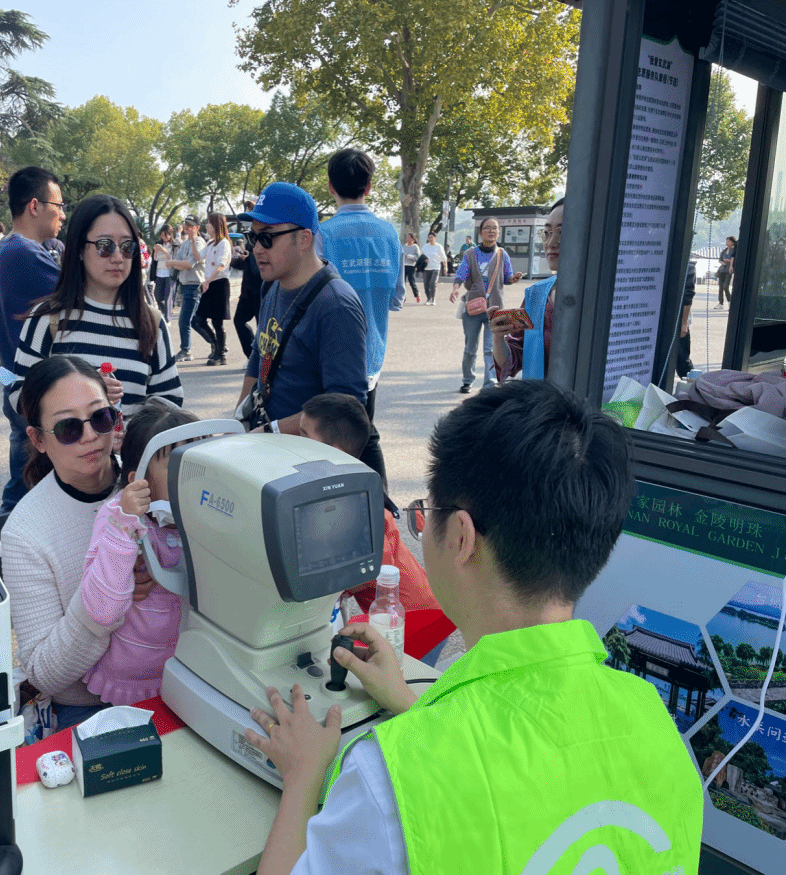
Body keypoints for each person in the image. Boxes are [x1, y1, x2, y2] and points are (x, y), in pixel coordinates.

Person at [244, 380, 704, 874]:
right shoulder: (657, 724)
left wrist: (303, 778)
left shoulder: (391, 780)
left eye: (427, 513)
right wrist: (412, 703)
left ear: (461, 536)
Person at [2, 355, 157, 731]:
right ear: (38, 439)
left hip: (171, 680)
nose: (90, 436)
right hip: (87, 708)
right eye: (68, 427)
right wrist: (106, 596)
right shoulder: (25, 531)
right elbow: (43, 673)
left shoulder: (149, 482)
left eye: (101, 418)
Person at [9, 194, 183, 424]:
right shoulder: (47, 318)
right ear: (80, 249)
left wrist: (132, 432)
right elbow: (17, 392)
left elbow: (170, 399)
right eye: (105, 246)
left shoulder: (151, 322)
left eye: (127, 247)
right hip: (66, 448)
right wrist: (80, 393)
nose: (118, 257)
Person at [81, 398, 200, 705]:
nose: (194, 477)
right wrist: (124, 527)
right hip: (131, 680)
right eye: (178, 466)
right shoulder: (117, 517)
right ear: (138, 481)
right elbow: (102, 610)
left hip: (188, 671)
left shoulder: (201, 517)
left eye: (200, 464)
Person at [236, 181, 367, 438]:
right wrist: (238, 420)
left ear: (304, 239)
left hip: (306, 456)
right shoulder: (272, 285)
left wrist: (269, 431)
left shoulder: (336, 306)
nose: (257, 249)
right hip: (266, 444)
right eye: (253, 237)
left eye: (267, 237)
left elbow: (343, 409)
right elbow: (259, 356)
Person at [298, 393, 438, 615]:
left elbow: (372, 571)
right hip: (401, 612)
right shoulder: (346, 489)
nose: (297, 443)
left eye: (304, 436)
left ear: (333, 452)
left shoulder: (363, 506)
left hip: (414, 617)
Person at [315, 149, 402, 486]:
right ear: (369, 186)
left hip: (331, 357)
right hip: (372, 356)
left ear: (330, 186)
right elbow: (396, 298)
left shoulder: (323, 234)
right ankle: (380, 509)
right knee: (363, 432)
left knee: (334, 440)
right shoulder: (389, 234)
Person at [0, 166, 66, 512]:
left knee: (23, 483)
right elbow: (80, 294)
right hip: (32, 390)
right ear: (34, 205)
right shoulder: (24, 252)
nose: (62, 214)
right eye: (58, 205)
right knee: (29, 491)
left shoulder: (6, 249)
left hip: (15, 382)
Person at [491, 198, 562, 382]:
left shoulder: (614, 298)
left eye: (563, 232)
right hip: (542, 398)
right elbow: (513, 360)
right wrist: (498, 337)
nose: (551, 243)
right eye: (547, 233)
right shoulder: (537, 294)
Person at [449, 216, 522, 392]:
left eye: (494, 228)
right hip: (473, 307)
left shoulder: (502, 254)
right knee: (470, 348)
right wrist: (456, 288)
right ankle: (467, 380)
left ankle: (490, 383)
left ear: (499, 232)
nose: (491, 231)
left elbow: (507, 277)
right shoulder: (470, 254)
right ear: (480, 232)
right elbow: (461, 272)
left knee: (491, 348)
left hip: (495, 309)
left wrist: (513, 279)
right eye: (487, 227)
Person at [192, 211, 233, 365]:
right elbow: (198, 257)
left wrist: (208, 280)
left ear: (216, 225)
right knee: (199, 319)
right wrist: (192, 240)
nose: (207, 225)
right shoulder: (210, 243)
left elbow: (221, 265)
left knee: (217, 322)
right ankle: (217, 344)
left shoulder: (224, 243)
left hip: (219, 283)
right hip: (209, 283)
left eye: (209, 222)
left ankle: (220, 355)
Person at [168, 214, 206, 361]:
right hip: (185, 285)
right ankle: (217, 343)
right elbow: (180, 263)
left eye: (190, 226)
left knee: (184, 320)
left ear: (197, 228)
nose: (187, 228)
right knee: (194, 321)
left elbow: (189, 264)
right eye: (186, 225)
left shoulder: (199, 243)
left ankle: (186, 350)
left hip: (194, 285)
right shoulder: (185, 243)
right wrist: (177, 263)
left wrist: (173, 263)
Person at [231, 225, 264, 360]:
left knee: (262, 328)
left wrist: (249, 258)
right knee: (239, 321)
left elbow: (259, 269)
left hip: (262, 292)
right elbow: (242, 265)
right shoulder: (250, 243)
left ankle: (261, 359)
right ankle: (252, 356)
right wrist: (235, 259)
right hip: (247, 292)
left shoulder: (266, 241)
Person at [151, 223, 176, 322]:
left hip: (170, 274)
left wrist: (164, 250)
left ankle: (167, 319)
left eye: (166, 235)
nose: (164, 237)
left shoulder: (175, 245)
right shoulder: (158, 243)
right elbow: (155, 259)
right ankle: (163, 313)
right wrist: (156, 251)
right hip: (159, 273)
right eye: (162, 235)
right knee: (157, 296)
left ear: (170, 234)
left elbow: (174, 259)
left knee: (167, 297)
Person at [419, 231, 447, 305]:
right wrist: (424, 260)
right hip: (426, 268)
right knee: (426, 284)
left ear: (435, 238)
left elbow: (444, 258)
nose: (430, 239)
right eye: (429, 238)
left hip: (435, 267)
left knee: (433, 283)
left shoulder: (439, 247)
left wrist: (445, 267)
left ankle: (433, 299)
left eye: (431, 237)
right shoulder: (425, 246)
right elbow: (420, 256)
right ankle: (428, 299)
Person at [716, 235, 736, 308]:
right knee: (720, 287)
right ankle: (720, 303)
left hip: (728, 271)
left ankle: (730, 302)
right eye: (726, 241)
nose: (727, 243)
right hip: (722, 270)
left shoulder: (734, 251)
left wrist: (729, 261)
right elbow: (720, 259)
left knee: (725, 287)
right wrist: (722, 262)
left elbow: (734, 259)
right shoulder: (724, 251)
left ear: (732, 242)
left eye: (729, 241)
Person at [401, 232, 421, 302]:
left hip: (411, 266)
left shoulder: (415, 247)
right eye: (407, 237)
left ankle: (417, 294)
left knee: (411, 282)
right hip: (404, 265)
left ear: (412, 239)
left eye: (409, 237)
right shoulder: (404, 246)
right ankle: (403, 298)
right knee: (402, 282)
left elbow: (417, 257)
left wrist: (409, 256)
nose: (407, 239)